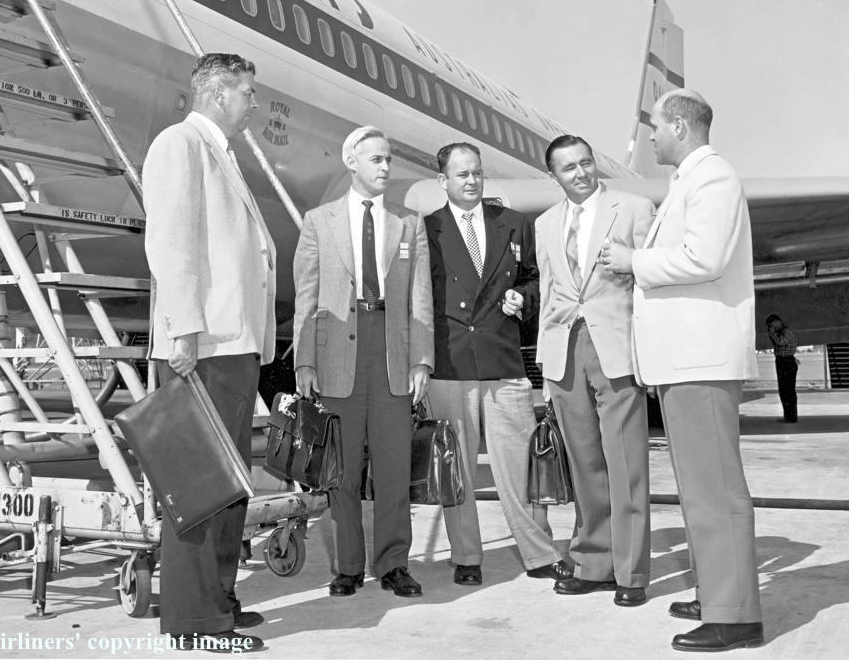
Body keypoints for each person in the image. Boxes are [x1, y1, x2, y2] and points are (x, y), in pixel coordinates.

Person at [602, 89, 763, 652]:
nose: (651, 136)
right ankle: (717, 592)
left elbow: (705, 258)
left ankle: (735, 614)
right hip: (684, 360)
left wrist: (633, 261)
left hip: (699, 359)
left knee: (714, 489)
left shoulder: (712, 178)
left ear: (679, 126)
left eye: (655, 126)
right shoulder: (689, 182)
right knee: (698, 490)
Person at [143, 52, 275, 653]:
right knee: (198, 487)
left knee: (229, 484)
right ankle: (195, 622)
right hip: (203, 346)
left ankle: (218, 601)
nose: (254, 103)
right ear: (219, 93)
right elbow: (171, 243)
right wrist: (184, 331)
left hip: (232, 344)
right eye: (247, 92)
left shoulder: (220, 151)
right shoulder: (181, 145)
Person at [293, 126, 434, 598]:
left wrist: (421, 360)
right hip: (337, 354)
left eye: (389, 158)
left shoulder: (409, 223)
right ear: (351, 162)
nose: (386, 167)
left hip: (392, 352)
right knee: (342, 469)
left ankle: (394, 564)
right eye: (376, 159)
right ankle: (349, 566)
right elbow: (307, 295)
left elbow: (420, 298)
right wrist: (305, 360)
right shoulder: (319, 221)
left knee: (394, 468)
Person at [424, 142, 571, 587]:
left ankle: (539, 552)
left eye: (477, 173)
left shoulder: (514, 223)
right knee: (458, 468)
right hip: (451, 364)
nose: (472, 181)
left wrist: (522, 298)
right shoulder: (426, 230)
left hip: (503, 361)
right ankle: (466, 556)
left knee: (521, 465)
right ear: (443, 181)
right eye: (462, 174)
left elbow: (534, 278)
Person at [534, 135, 654, 607]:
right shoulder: (545, 224)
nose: (581, 173)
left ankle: (631, 572)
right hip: (565, 353)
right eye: (569, 168)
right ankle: (593, 563)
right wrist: (546, 368)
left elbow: (650, 284)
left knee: (626, 465)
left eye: (586, 163)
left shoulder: (634, 208)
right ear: (554, 176)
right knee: (584, 466)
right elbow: (550, 295)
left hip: (616, 350)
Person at [766, 314, 799, 423]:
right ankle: (788, 415)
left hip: (787, 361)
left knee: (788, 390)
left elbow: (781, 342)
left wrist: (772, 332)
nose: (773, 328)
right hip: (782, 360)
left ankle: (791, 417)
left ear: (777, 322)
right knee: (783, 390)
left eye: (773, 325)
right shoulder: (781, 332)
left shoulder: (787, 331)